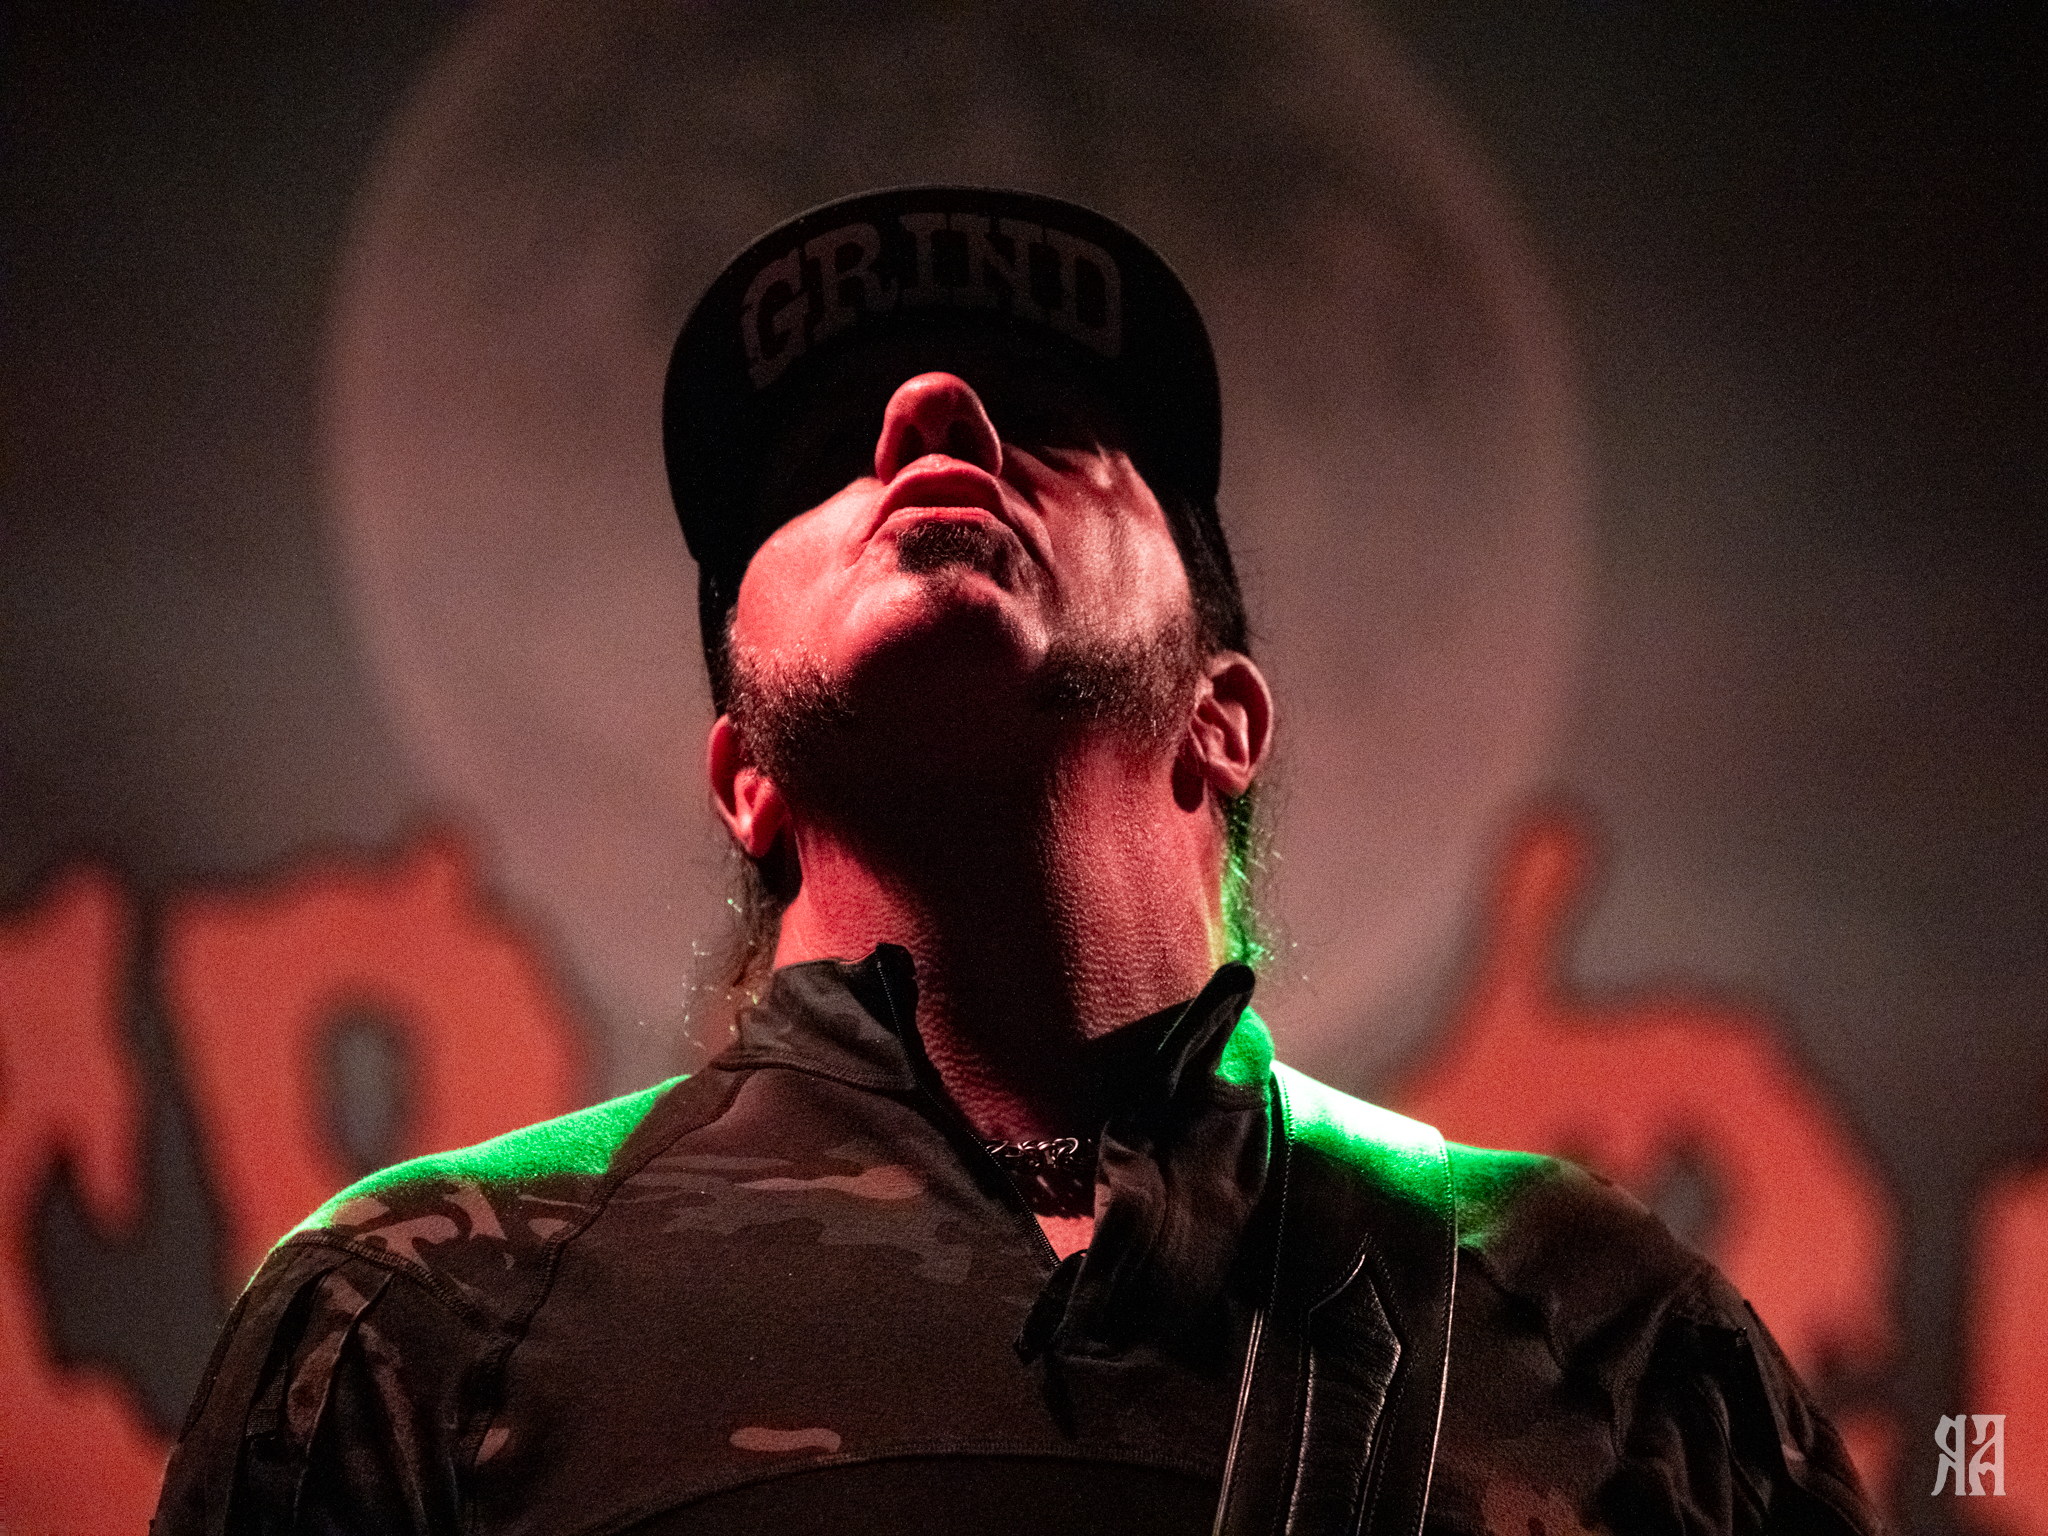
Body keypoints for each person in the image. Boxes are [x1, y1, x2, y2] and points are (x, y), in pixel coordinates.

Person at [155, 187, 1880, 1536]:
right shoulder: (415, 1317)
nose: (931, 416)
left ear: (1224, 717)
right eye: (819, 460)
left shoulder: (1604, 1329)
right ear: (744, 780)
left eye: (1047, 418)